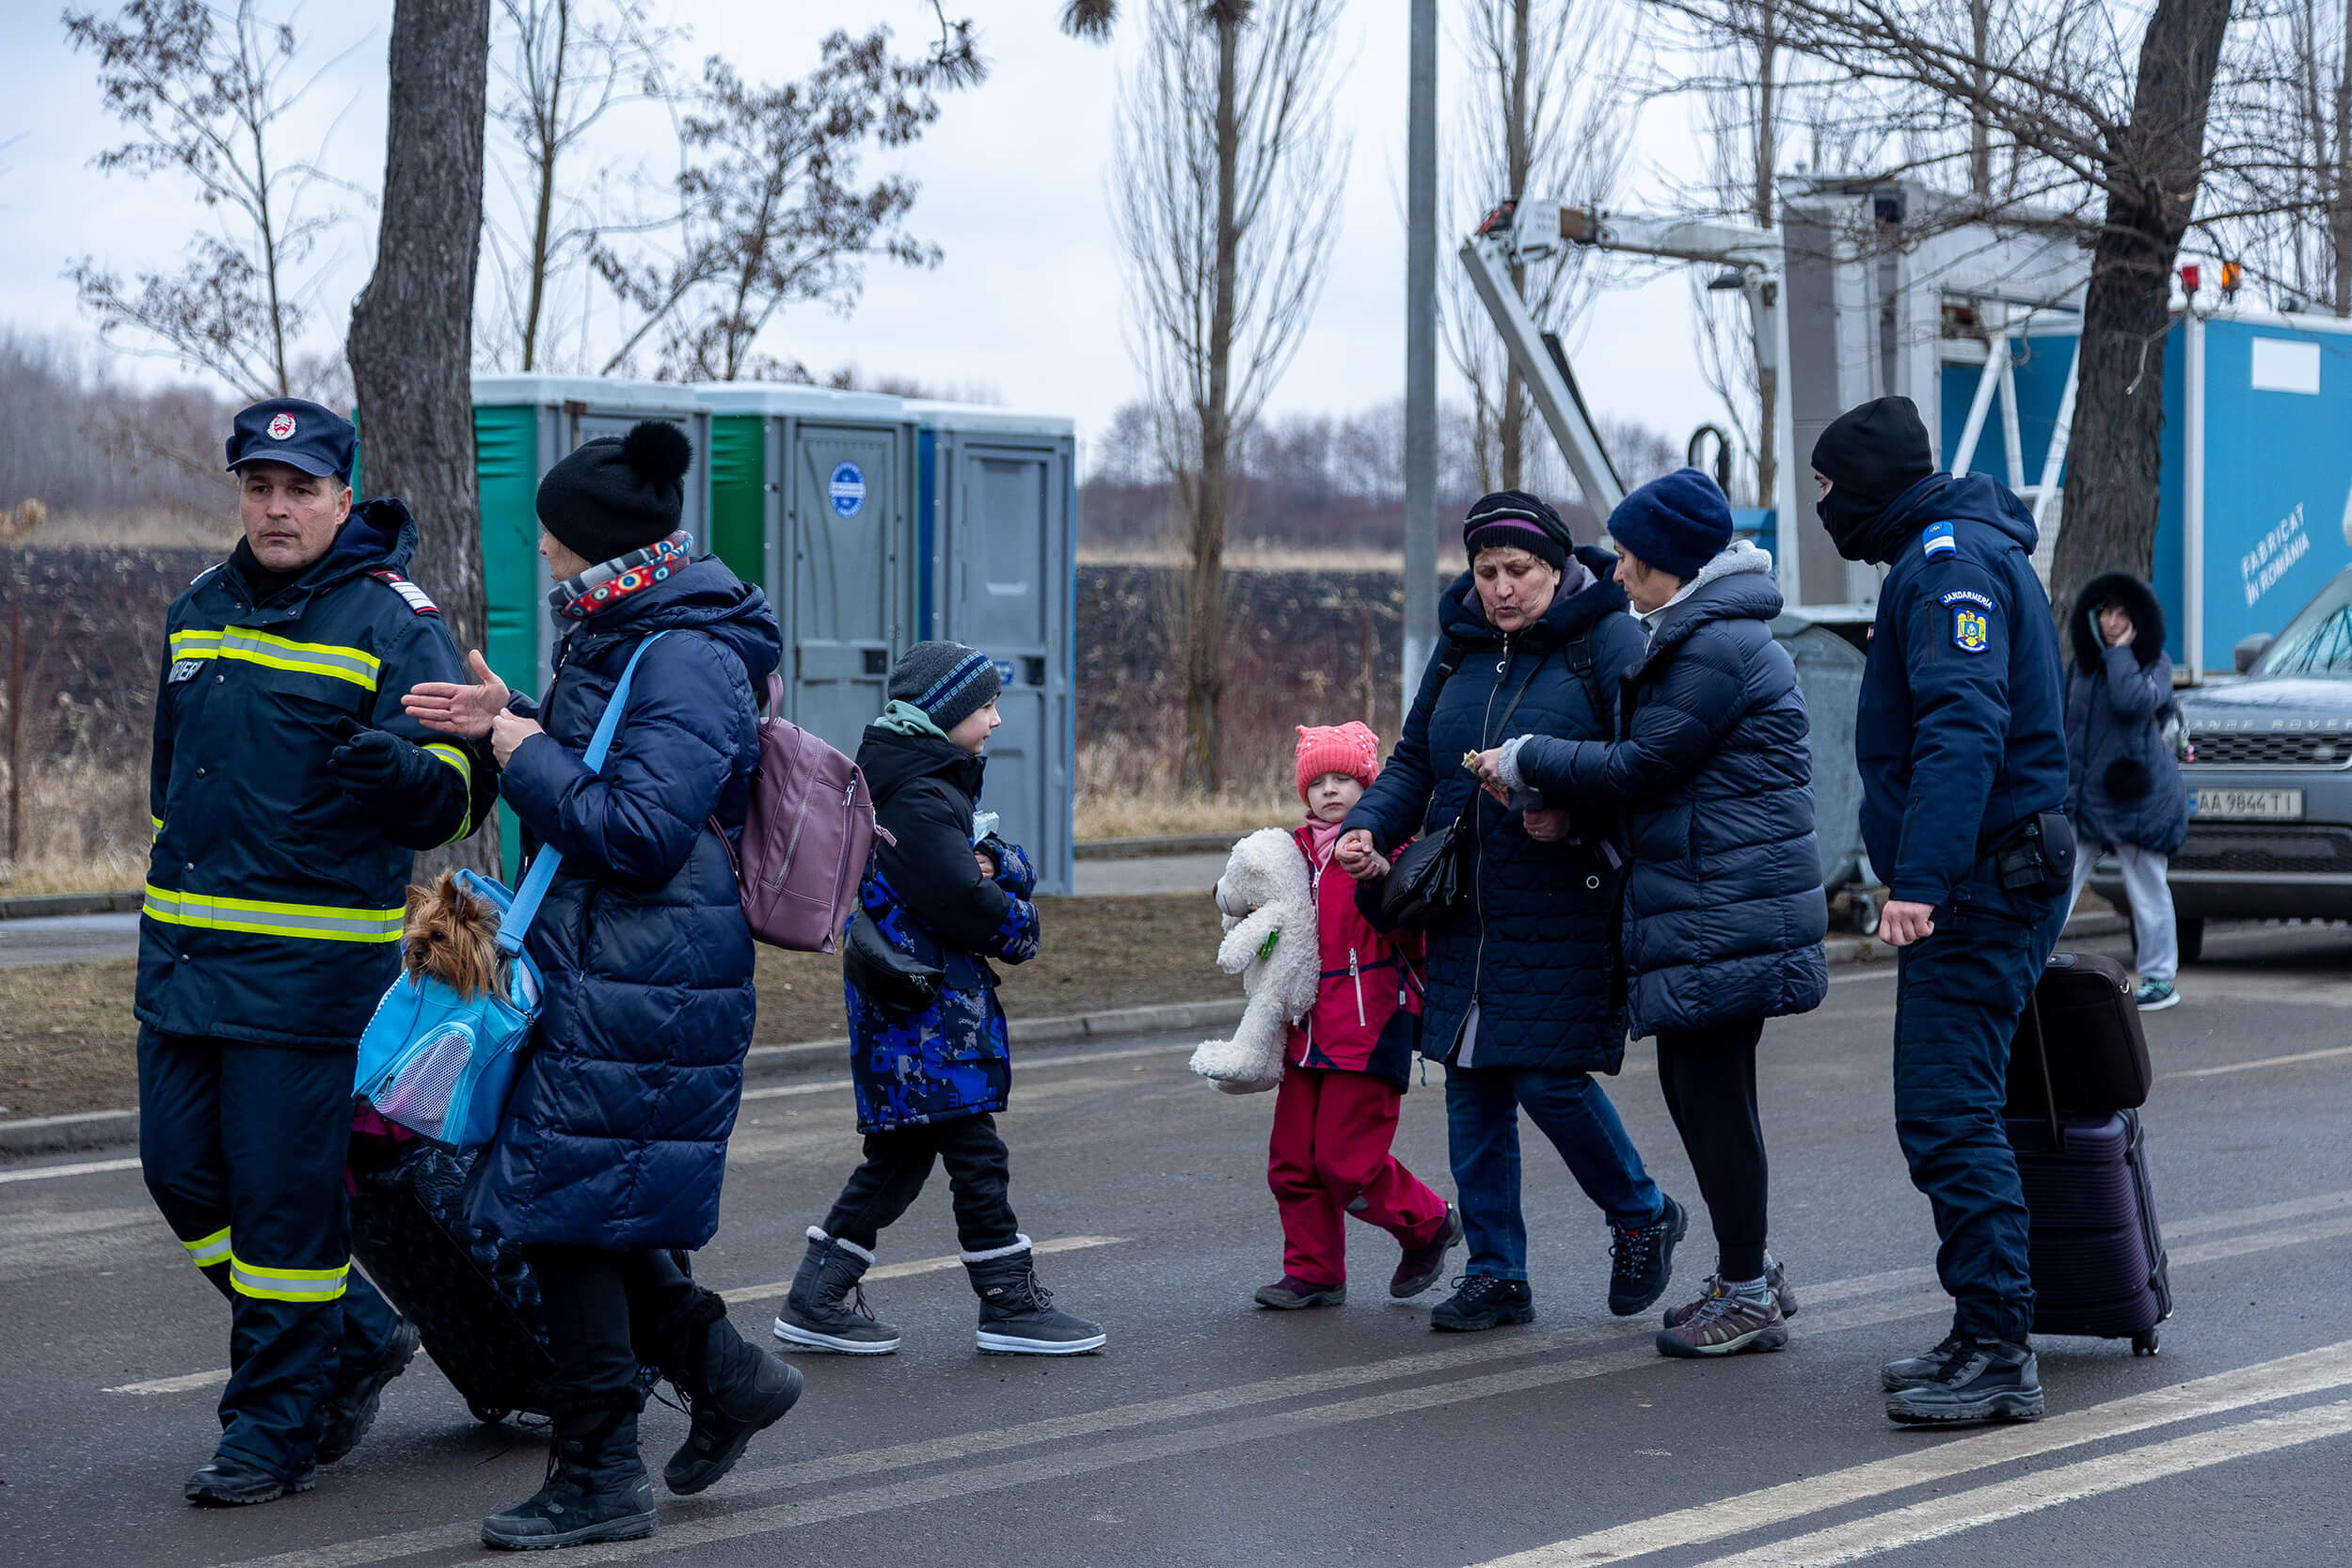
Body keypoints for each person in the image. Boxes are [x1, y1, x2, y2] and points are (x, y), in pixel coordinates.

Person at [405, 421, 801, 1549]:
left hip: (649, 973)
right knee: (587, 1199)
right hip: (609, 964)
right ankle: (724, 1374)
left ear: (598, 542)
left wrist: (520, 746)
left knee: (563, 1212)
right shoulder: (628, 627)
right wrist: (506, 726)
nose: (540, 552)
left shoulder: (681, 653)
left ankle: (599, 1475)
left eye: (550, 536)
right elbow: (594, 775)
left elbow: (636, 829)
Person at [138, 397, 493, 1505]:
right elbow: (170, 783)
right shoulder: (198, 608)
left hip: (306, 978)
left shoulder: (393, 621)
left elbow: (459, 786)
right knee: (181, 1173)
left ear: (344, 496)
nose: (277, 506)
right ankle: (357, 1329)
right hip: (184, 967)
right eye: (259, 485)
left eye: (300, 488)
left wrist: (403, 775)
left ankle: (270, 1429)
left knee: (287, 1211)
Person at [1477, 469, 1827, 1358]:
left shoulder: (1714, 648)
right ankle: (1750, 1270)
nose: (1620, 574)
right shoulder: (1705, 633)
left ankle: (1747, 1287)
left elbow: (1642, 764)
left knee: (1710, 1100)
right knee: (1708, 1096)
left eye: (1632, 559)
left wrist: (1529, 757)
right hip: (1714, 906)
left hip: (1723, 908)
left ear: (1674, 562)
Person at [1337, 490, 1685, 1334]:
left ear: (1557, 566)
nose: (1500, 588)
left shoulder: (1604, 638)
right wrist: (1367, 825)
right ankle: (1497, 1271)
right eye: (1486, 571)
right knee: (1473, 1082)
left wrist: (1571, 813)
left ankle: (1642, 1211)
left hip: (1564, 896)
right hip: (1466, 904)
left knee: (1546, 1077)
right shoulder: (1460, 647)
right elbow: (1416, 756)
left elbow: (1643, 767)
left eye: (1518, 571)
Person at [1809, 396, 2071, 1426]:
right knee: (1958, 1108)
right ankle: (1982, 1329)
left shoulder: (1946, 565)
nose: (1821, 507)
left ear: (1867, 483)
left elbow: (1964, 731)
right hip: (1994, 870)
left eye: (1826, 488)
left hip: (1975, 884)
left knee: (1945, 1109)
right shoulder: (1944, 552)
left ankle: (1999, 1346)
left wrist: (1916, 880)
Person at [772, 641, 1105, 1358]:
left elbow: (990, 859)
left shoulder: (916, 780)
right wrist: (1024, 922)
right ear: (947, 710)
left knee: (897, 1161)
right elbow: (966, 899)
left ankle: (815, 1295)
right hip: (929, 1018)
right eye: (985, 705)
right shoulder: (921, 795)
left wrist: (1004, 865)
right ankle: (1008, 1303)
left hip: (911, 1016)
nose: (994, 720)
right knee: (975, 1156)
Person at [1249, 721, 1461, 1311]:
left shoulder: (1387, 851)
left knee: (1347, 1165)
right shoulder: (1289, 855)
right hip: (1305, 1030)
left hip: (1369, 1028)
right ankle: (1314, 1271)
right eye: (1318, 782)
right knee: (1292, 1163)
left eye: (1345, 778)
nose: (1331, 791)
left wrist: (1382, 877)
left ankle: (1428, 1224)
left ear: (1370, 784)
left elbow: (1411, 930)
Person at [2061, 572, 2188, 1011]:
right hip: (2085, 798)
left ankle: (2159, 979)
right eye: (2106, 612)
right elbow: (2068, 727)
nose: (2112, 621)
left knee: (2148, 890)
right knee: (2059, 883)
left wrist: (2119, 655)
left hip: (2141, 798)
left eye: (2121, 614)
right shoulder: (2081, 666)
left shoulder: (2156, 664)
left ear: (2136, 620)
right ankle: (2030, 963)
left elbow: (2133, 702)